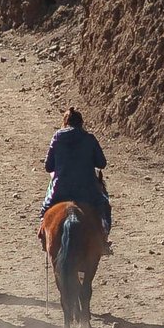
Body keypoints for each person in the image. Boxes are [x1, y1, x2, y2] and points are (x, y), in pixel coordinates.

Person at [42, 105, 111, 247]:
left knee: (45, 209)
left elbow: (48, 166)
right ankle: (103, 239)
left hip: (60, 190)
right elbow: (102, 163)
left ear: (65, 123)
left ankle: (43, 235)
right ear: (81, 123)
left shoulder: (57, 137)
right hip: (87, 191)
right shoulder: (89, 138)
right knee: (104, 207)